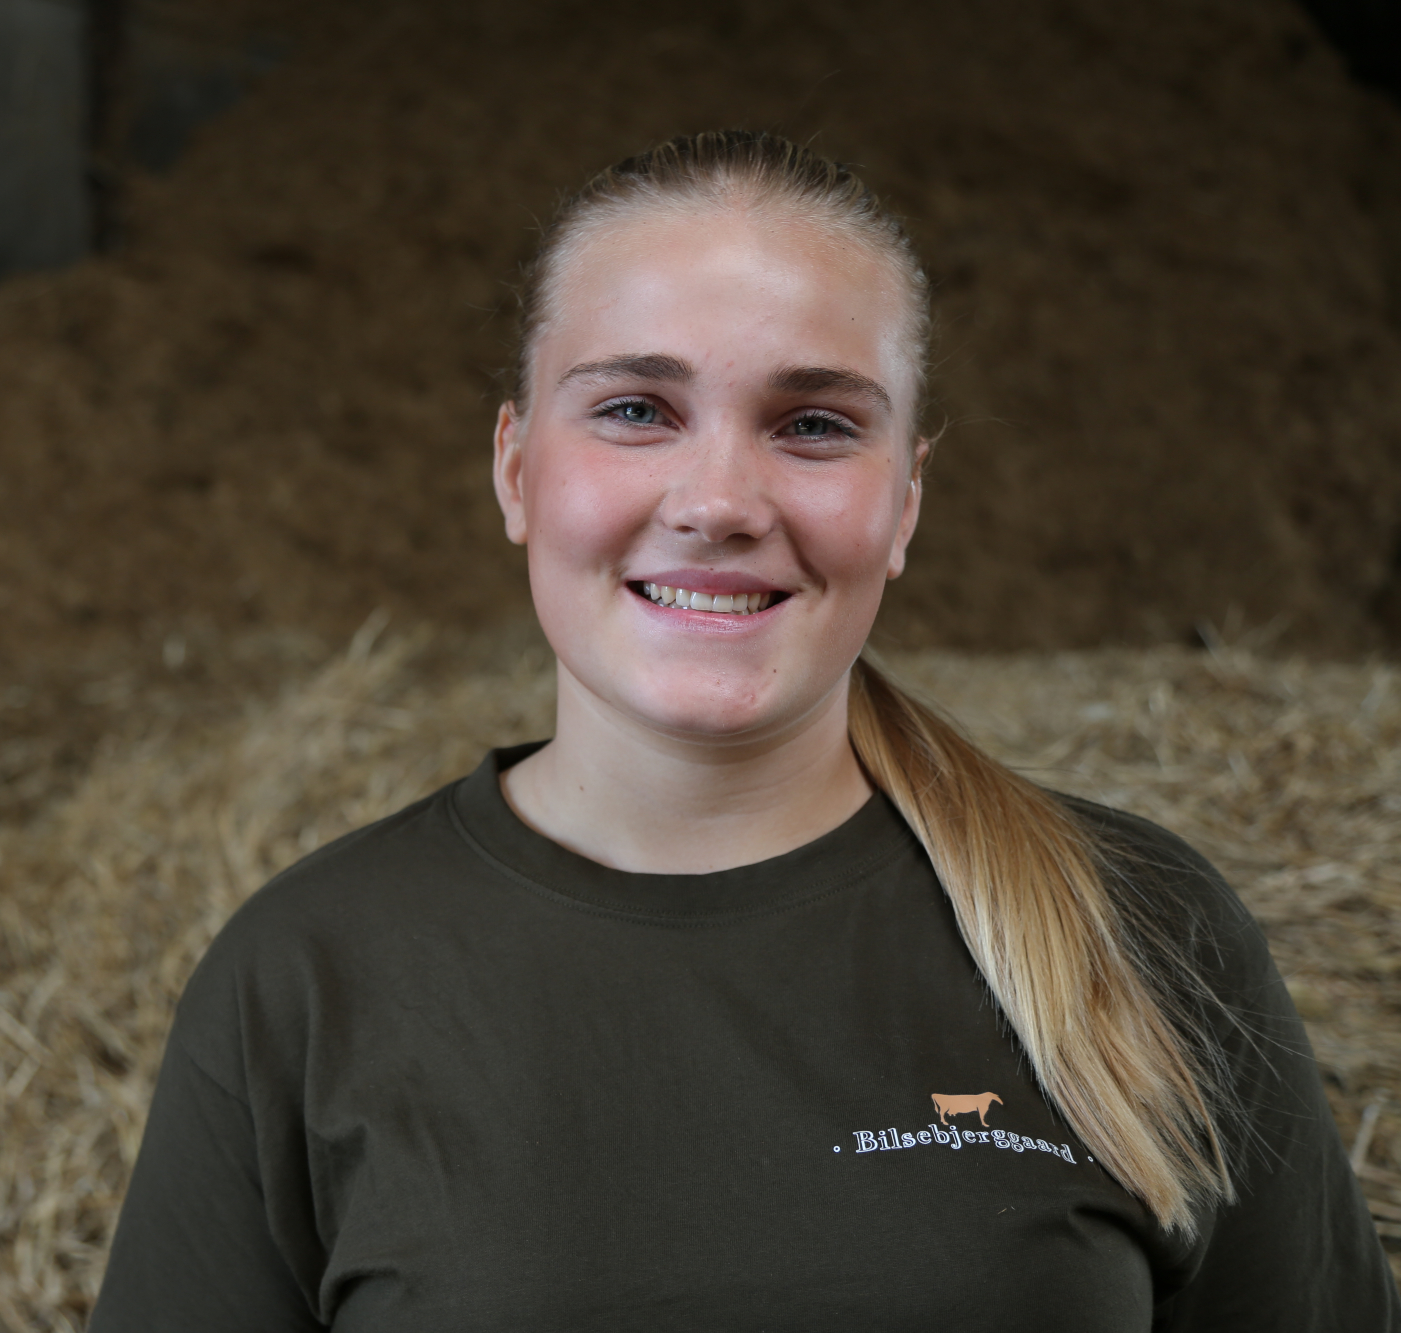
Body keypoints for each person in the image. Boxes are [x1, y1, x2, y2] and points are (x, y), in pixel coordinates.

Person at [88, 131, 1397, 1330]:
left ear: (906, 502)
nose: (717, 501)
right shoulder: (305, 979)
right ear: (515, 469)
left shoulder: (1144, 933)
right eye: (635, 410)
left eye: (814, 425)